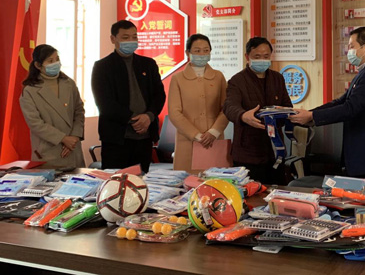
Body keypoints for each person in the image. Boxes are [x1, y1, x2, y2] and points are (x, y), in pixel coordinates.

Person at [290, 27, 365, 187]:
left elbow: (350, 108)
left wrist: (312, 117)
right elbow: (341, 102)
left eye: (352, 46)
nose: (349, 51)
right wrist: (310, 114)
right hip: (360, 156)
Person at [91, 20, 165, 173]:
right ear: (113, 39)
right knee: (115, 181)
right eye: (125, 37)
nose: (131, 41)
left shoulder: (148, 64)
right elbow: (104, 103)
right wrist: (133, 119)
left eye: (134, 37)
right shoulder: (102, 67)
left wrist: (149, 116)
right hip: (116, 138)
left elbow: (159, 95)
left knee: (141, 181)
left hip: (144, 137)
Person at [223, 37, 292, 185]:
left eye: (266, 56)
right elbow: (229, 107)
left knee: (278, 193)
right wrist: (243, 116)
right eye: (257, 56)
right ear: (247, 56)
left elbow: (287, 106)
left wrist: (284, 113)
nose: (262, 60)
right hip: (248, 154)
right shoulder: (237, 81)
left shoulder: (277, 78)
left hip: (275, 151)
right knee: (251, 195)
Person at [168, 34, 228, 173]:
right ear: (187, 52)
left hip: (214, 139)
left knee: (215, 180)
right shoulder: (178, 79)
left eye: (206, 50)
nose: (202, 54)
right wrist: (196, 135)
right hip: (187, 140)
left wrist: (213, 132)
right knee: (187, 181)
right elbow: (174, 112)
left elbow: (226, 108)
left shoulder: (218, 77)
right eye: (197, 50)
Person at [19, 44, 85, 168]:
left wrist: (74, 137)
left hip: (73, 149)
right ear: (38, 65)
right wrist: (63, 139)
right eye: (50, 61)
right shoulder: (30, 90)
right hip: (49, 152)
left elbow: (79, 111)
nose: (55, 63)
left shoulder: (69, 83)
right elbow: (35, 123)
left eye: (57, 59)